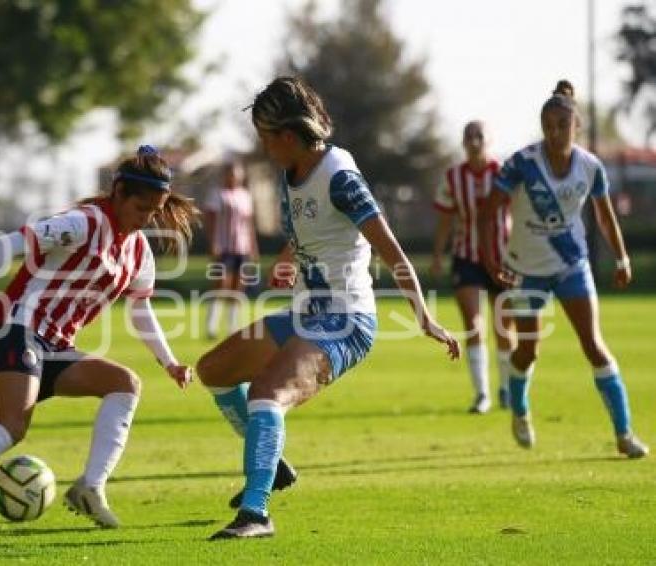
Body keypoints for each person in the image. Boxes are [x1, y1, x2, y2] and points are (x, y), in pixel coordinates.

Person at [196, 77, 461, 540]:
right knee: (214, 369)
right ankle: (272, 467)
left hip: (347, 321)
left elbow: (392, 250)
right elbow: (303, 234)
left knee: (266, 393)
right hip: (306, 312)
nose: (263, 147)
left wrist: (425, 315)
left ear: (289, 135)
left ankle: (256, 512)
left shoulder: (340, 176)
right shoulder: (289, 173)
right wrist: (284, 261)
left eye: (265, 136)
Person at [0, 146, 200, 535]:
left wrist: (170, 361)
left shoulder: (139, 251)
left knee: (124, 383)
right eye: (141, 208)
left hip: (55, 345)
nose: (146, 220)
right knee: (11, 425)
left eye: (154, 212)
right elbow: (4, 245)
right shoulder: (83, 223)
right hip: (15, 327)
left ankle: (90, 488)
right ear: (120, 192)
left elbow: (139, 308)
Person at [481, 80, 648, 458]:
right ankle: (520, 410)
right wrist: (492, 259)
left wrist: (621, 258)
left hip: (571, 265)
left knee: (594, 345)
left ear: (577, 127)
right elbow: (489, 211)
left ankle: (624, 434)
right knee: (527, 351)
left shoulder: (591, 167)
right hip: (526, 271)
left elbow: (605, 218)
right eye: (548, 125)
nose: (555, 132)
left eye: (562, 124)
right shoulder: (522, 164)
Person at [432, 121, 515, 413]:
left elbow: (517, 211)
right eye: (469, 136)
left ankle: (506, 388)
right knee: (473, 324)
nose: (474, 141)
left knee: (505, 326)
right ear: (463, 141)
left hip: (503, 257)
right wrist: (438, 255)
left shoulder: (504, 172)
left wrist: (522, 251)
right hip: (466, 256)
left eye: (479, 135)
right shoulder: (453, 177)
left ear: (489, 139)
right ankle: (482, 394)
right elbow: (445, 219)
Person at [203, 160, 259, 339]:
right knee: (221, 286)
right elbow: (210, 220)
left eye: (237, 174)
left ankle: (232, 327)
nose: (234, 177)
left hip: (241, 247)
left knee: (238, 288)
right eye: (231, 173)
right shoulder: (217, 194)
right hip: (224, 247)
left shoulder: (245, 196)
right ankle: (211, 326)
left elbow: (249, 224)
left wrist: (253, 246)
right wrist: (213, 243)